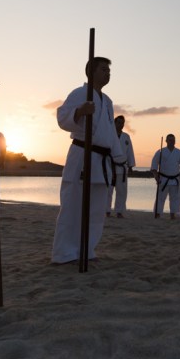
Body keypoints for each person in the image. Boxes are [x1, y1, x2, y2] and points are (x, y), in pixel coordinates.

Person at [51, 57, 125, 264]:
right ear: (90, 71)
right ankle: (64, 253)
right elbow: (62, 117)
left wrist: (119, 158)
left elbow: (110, 131)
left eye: (109, 70)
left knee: (96, 208)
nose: (107, 74)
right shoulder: (79, 93)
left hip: (102, 159)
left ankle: (87, 249)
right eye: (103, 69)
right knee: (73, 205)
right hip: (82, 155)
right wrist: (80, 111)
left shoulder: (108, 101)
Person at [151, 134, 180, 219]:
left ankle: (173, 214)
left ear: (175, 141)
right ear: (166, 141)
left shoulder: (179, 152)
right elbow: (154, 165)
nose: (172, 142)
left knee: (175, 198)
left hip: (175, 179)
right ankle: (158, 213)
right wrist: (156, 176)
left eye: (173, 140)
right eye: (170, 140)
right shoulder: (160, 151)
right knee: (160, 198)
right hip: (163, 179)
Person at [107, 115, 135, 218]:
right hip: (110, 166)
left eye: (122, 123)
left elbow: (130, 151)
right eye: (119, 122)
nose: (121, 125)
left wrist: (131, 166)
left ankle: (119, 211)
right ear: (114, 123)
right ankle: (107, 211)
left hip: (122, 168)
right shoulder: (109, 135)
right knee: (108, 191)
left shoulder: (126, 137)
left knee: (122, 191)